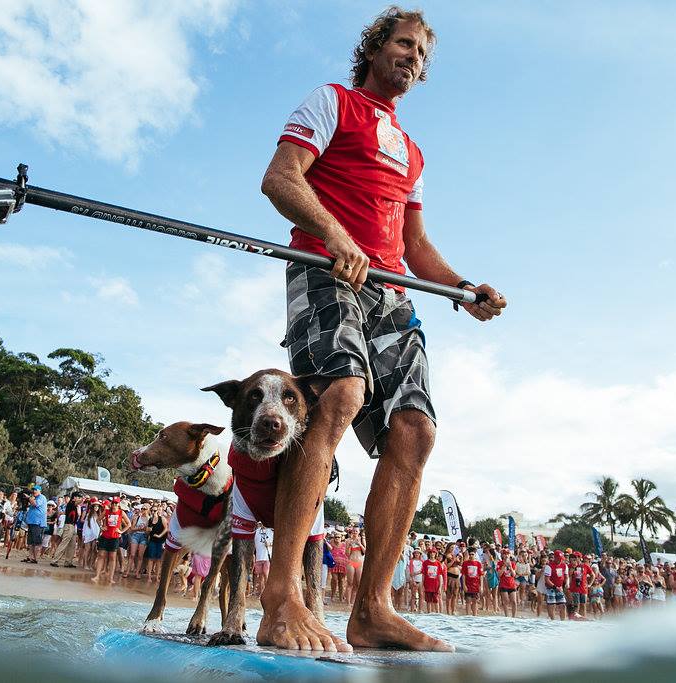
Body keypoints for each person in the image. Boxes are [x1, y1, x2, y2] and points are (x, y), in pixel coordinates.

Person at [259, 6, 507, 651]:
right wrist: (336, 236)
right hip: (324, 268)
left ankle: (372, 609)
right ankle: (282, 598)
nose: (412, 58)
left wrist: (460, 287)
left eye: (422, 55)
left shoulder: (414, 151)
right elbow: (280, 179)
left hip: (394, 291)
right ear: (374, 47)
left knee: (416, 430)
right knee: (339, 396)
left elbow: (414, 240)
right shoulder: (331, 101)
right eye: (404, 44)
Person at [93, 498, 127, 584]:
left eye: (116, 503)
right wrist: (101, 527)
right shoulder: (107, 511)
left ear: (118, 504)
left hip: (114, 537)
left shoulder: (121, 512)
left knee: (112, 557)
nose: (114, 505)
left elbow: (129, 524)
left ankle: (110, 578)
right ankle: (97, 576)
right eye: (113, 503)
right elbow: (98, 519)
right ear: (111, 504)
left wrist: (121, 531)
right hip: (105, 536)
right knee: (101, 555)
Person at [50, 492, 83, 568]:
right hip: (68, 526)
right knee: (64, 543)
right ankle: (55, 560)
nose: (79, 499)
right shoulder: (71, 503)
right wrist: (82, 498)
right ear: (74, 497)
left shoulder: (74, 505)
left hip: (73, 526)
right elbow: (79, 502)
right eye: (78, 497)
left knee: (72, 545)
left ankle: (68, 562)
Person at [24, 485, 47, 564]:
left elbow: (34, 504)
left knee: (36, 541)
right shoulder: (33, 497)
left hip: (38, 522)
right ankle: (30, 557)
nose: (34, 491)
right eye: (33, 490)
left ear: (40, 491)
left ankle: (35, 558)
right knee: (30, 541)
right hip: (31, 522)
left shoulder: (41, 497)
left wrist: (28, 498)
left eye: (35, 490)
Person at [544, 550, 569, 620]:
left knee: (563, 604)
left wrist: (567, 583)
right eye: (559, 558)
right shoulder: (549, 566)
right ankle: (552, 620)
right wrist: (555, 587)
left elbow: (566, 577)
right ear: (555, 558)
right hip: (551, 588)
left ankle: (563, 621)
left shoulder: (564, 565)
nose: (560, 560)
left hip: (560, 587)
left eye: (561, 559)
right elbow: (547, 580)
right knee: (552, 604)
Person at [461, 546, 483, 617]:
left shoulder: (478, 564)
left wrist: (481, 586)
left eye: (472, 554)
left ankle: (475, 615)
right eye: (470, 554)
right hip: (468, 584)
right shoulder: (465, 563)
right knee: (468, 600)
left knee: (474, 601)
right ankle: (467, 615)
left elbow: (481, 576)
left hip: (476, 585)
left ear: (475, 554)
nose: (471, 556)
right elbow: (463, 575)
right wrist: (464, 585)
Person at [253, 523, 274, 598]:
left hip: (267, 557)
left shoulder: (270, 531)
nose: (261, 524)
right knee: (260, 576)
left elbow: (275, 542)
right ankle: (261, 593)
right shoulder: (257, 531)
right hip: (259, 557)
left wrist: (269, 544)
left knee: (266, 575)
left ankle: (268, 592)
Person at [496, 549, 518, 618]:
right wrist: (504, 566)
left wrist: (510, 567)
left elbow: (514, 575)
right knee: (506, 601)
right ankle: (506, 616)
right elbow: (499, 575)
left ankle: (513, 617)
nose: (506, 555)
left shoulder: (513, 563)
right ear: (502, 555)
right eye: (505, 554)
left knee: (514, 601)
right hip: (503, 584)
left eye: (507, 554)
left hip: (511, 584)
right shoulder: (499, 563)